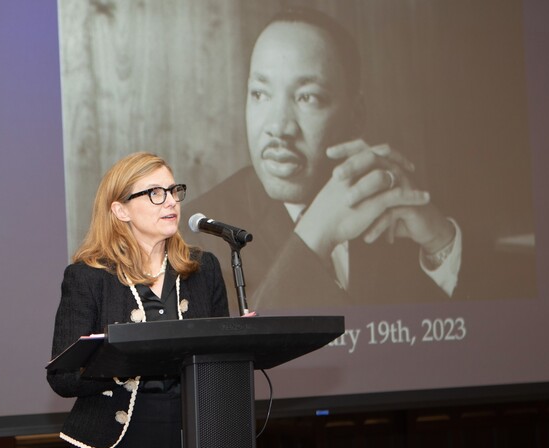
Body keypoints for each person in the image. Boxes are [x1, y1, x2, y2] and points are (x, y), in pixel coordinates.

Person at [184, 7, 468, 310]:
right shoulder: (195, 238)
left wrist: (440, 240)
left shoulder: (392, 203)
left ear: (356, 115)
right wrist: (315, 235)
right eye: (260, 94)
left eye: (308, 97)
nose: (279, 127)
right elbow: (241, 353)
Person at [47, 152, 229, 448]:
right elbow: (63, 376)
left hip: (189, 446)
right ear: (119, 210)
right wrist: (125, 360)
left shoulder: (203, 271)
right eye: (154, 193)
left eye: (173, 191)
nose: (170, 202)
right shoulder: (89, 278)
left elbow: (221, 359)